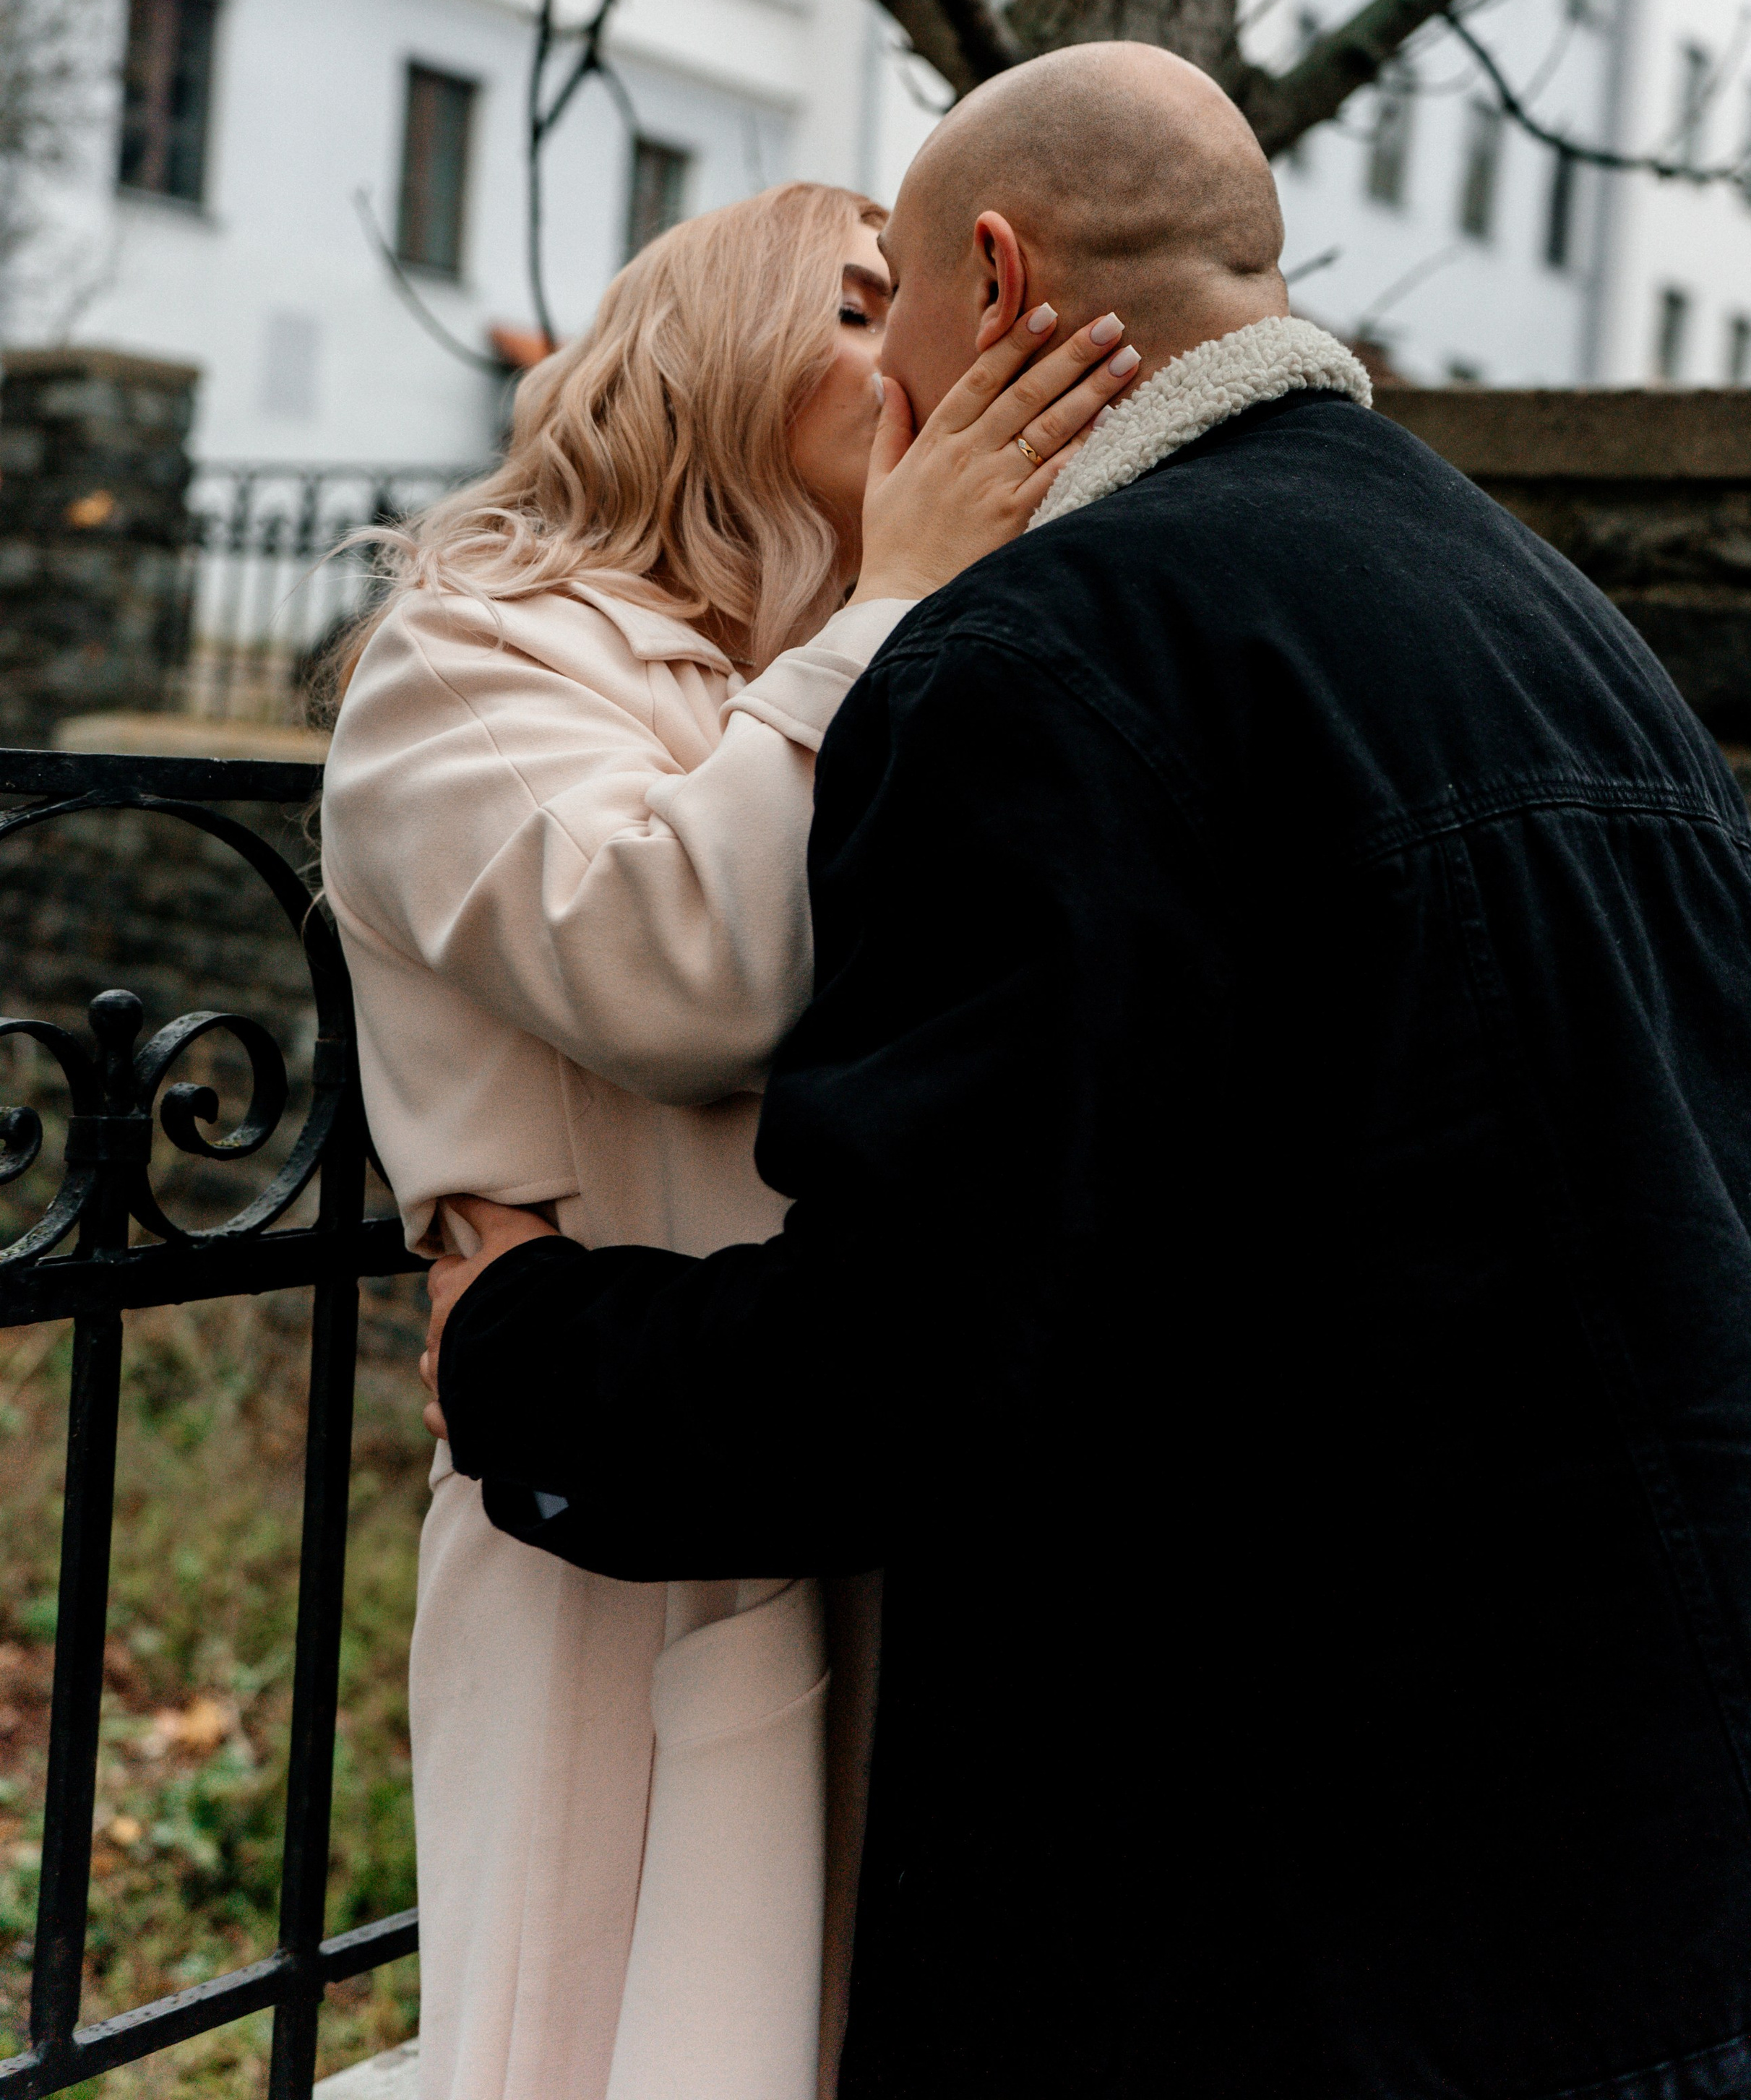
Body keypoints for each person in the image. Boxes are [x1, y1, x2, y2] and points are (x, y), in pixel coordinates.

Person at [426, 49, 1751, 2100]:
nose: (881, 375)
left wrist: (531, 1349)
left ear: (992, 284)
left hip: (1338, 1938)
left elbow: (929, 1357)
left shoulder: (1046, 658)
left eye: (883, 301)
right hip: (1717, 1854)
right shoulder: (1557, 618)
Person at [317, 176, 1140, 2100]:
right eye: (860, 306)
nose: (919, 350)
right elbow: (674, 963)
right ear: (706, 353)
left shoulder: (898, 669)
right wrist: (888, 606)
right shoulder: (481, 656)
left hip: (865, 1468)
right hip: (630, 1535)